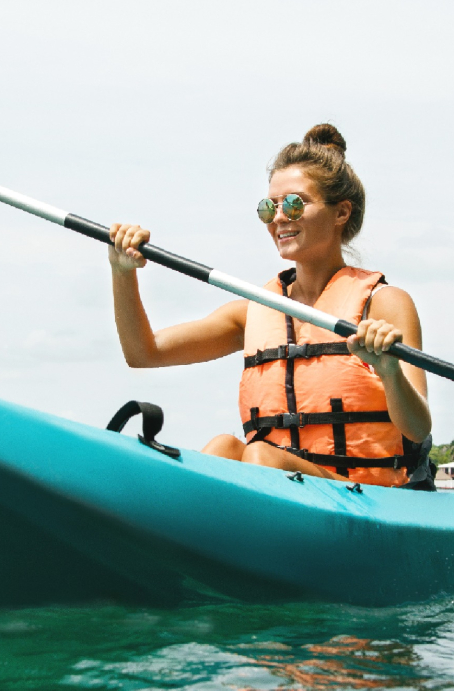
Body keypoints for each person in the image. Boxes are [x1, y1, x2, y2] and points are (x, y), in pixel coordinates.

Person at [108, 124, 432, 487]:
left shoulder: (383, 302)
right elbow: (142, 352)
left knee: (261, 456)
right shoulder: (254, 310)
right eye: (269, 208)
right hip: (280, 489)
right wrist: (122, 272)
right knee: (223, 448)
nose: (279, 218)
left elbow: (417, 429)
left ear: (341, 213)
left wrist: (389, 371)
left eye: (294, 204)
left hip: (367, 497)